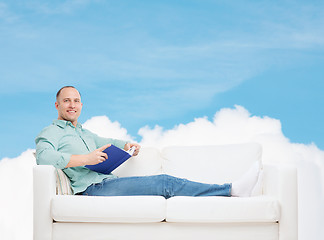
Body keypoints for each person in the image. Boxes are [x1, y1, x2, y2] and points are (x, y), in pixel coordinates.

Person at [35, 86, 261, 198]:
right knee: (165, 182)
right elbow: (44, 157)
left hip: (105, 182)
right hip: (91, 190)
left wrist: (126, 145)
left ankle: (228, 190)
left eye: (76, 101)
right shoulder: (52, 131)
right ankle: (231, 190)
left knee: (164, 183)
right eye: (66, 101)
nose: (72, 105)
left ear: (81, 105)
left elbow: (107, 141)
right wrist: (86, 158)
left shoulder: (84, 133)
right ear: (57, 105)